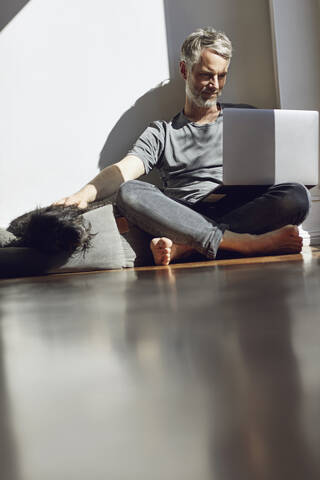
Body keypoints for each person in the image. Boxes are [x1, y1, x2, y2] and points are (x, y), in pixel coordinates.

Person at [56, 27, 310, 265]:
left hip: (239, 208)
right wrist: (84, 194)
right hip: (184, 215)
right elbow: (123, 171)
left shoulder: (247, 118)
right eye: (205, 75)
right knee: (130, 192)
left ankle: (188, 248)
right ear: (184, 70)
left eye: (222, 76)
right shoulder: (162, 132)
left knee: (298, 196)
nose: (215, 85)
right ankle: (244, 244)